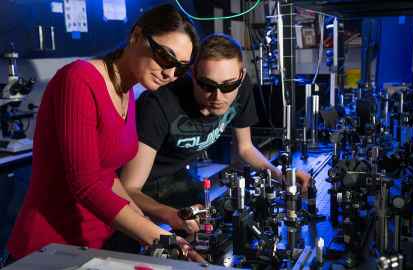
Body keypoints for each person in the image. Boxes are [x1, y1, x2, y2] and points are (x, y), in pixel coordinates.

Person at [6, 4, 204, 264]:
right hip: (48, 247)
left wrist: (162, 219)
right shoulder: (79, 79)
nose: (170, 73)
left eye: (180, 68)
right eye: (165, 57)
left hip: (95, 246)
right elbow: (85, 184)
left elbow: (106, 176)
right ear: (136, 36)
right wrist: (161, 239)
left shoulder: (128, 94)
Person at [120, 34, 311, 234]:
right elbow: (129, 188)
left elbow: (244, 149)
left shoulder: (241, 88)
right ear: (193, 74)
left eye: (228, 85)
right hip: (144, 182)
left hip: (178, 173)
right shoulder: (158, 105)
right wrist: (169, 215)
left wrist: (280, 176)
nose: (218, 96)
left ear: (241, 75)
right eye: (207, 85)